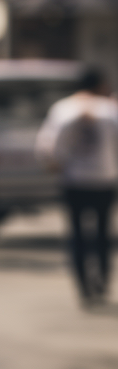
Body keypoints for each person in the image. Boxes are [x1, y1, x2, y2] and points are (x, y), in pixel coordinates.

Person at [35, 67, 118, 303]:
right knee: (102, 233)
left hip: (74, 180)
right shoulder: (110, 108)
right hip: (104, 178)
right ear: (100, 84)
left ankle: (83, 284)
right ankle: (102, 279)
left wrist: (56, 166)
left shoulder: (62, 108)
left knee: (77, 234)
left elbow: (46, 147)